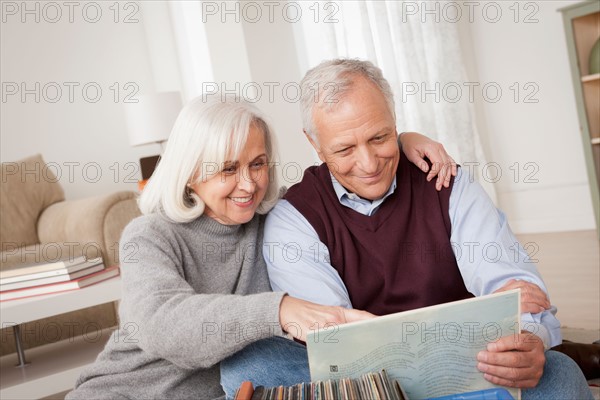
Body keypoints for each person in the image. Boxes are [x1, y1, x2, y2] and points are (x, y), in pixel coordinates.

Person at [221, 59, 593, 399]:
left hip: (474, 370)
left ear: (395, 121)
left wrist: (527, 338)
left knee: (559, 375)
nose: (368, 163)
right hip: (370, 388)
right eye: (345, 149)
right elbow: (341, 346)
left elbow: (515, 289)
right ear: (314, 144)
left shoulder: (446, 182)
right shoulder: (294, 218)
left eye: (379, 138)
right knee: (249, 367)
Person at [65, 95, 456, 399]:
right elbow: (162, 324)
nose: (249, 184)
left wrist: (400, 141)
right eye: (228, 169)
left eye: (258, 164)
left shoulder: (276, 218)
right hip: (126, 392)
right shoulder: (149, 235)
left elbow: (339, 174)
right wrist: (281, 310)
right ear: (189, 172)